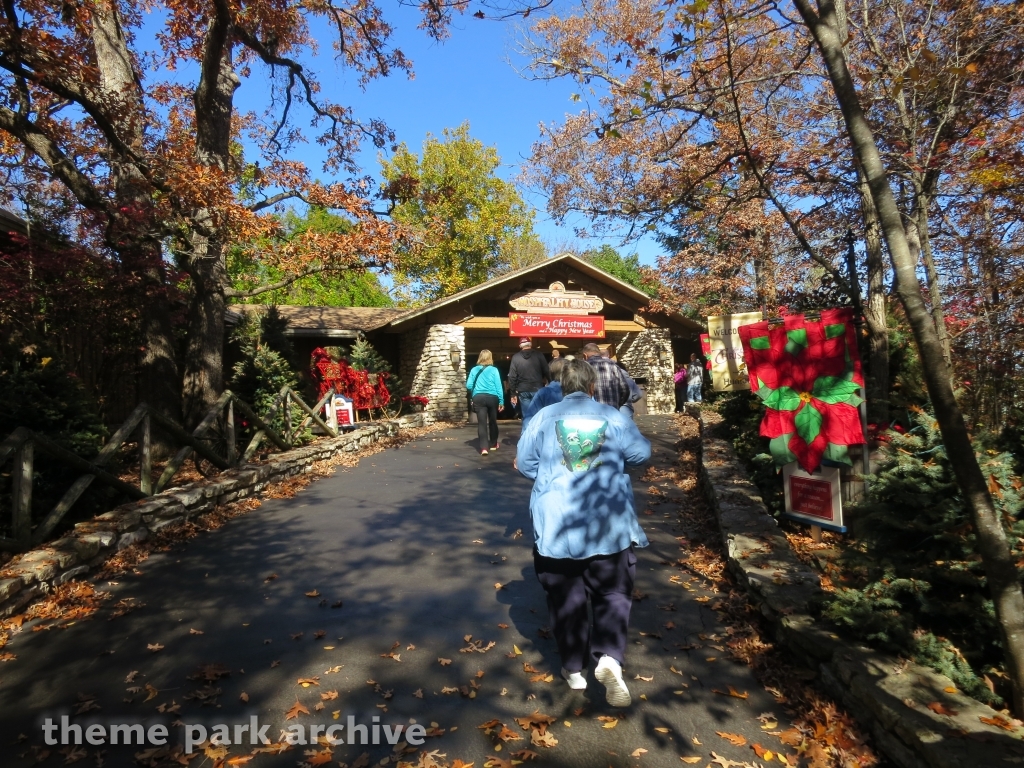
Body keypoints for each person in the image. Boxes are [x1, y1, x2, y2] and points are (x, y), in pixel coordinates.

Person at [516, 359, 651, 707]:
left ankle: (573, 669)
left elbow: (526, 463)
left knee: (566, 600)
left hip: (558, 523)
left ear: (561, 386)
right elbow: (640, 453)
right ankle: (608, 657)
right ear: (593, 386)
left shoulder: (543, 417)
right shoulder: (614, 416)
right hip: (608, 522)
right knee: (613, 593)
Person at [580, 343, 637, 416]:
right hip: (612, 412)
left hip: (592, 413)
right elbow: (624, 389)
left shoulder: (584, 367)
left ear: (585, 355)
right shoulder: (613, 365)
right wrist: (618, 403)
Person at [466, 349, 504, 455]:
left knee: (482, 423)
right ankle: (493, 444)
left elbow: (468, 385)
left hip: (478, 397)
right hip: (492, 397)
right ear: (490, 357)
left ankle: (483, 448)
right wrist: (501, 401)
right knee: (493, 421)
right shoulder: (494, 370)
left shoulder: (474, 370)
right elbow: (498, 386)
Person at [507, 338, 550, 420]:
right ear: (530, 344)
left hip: (523, 390)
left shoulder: (516, 357)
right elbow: (546, 371)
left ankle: (526, 432)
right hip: (537, 388)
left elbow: (512, 376)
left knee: (527, 416)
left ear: (520, 346)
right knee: (538, 415)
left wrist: (513, 394)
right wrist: (551, 384)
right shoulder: (539, 355)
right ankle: (538, 432)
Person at [522, 357, 565, 431]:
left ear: (550, 373)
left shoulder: (544, 393)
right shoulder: (580, 392)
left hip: (548, 436)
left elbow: (529, 420)